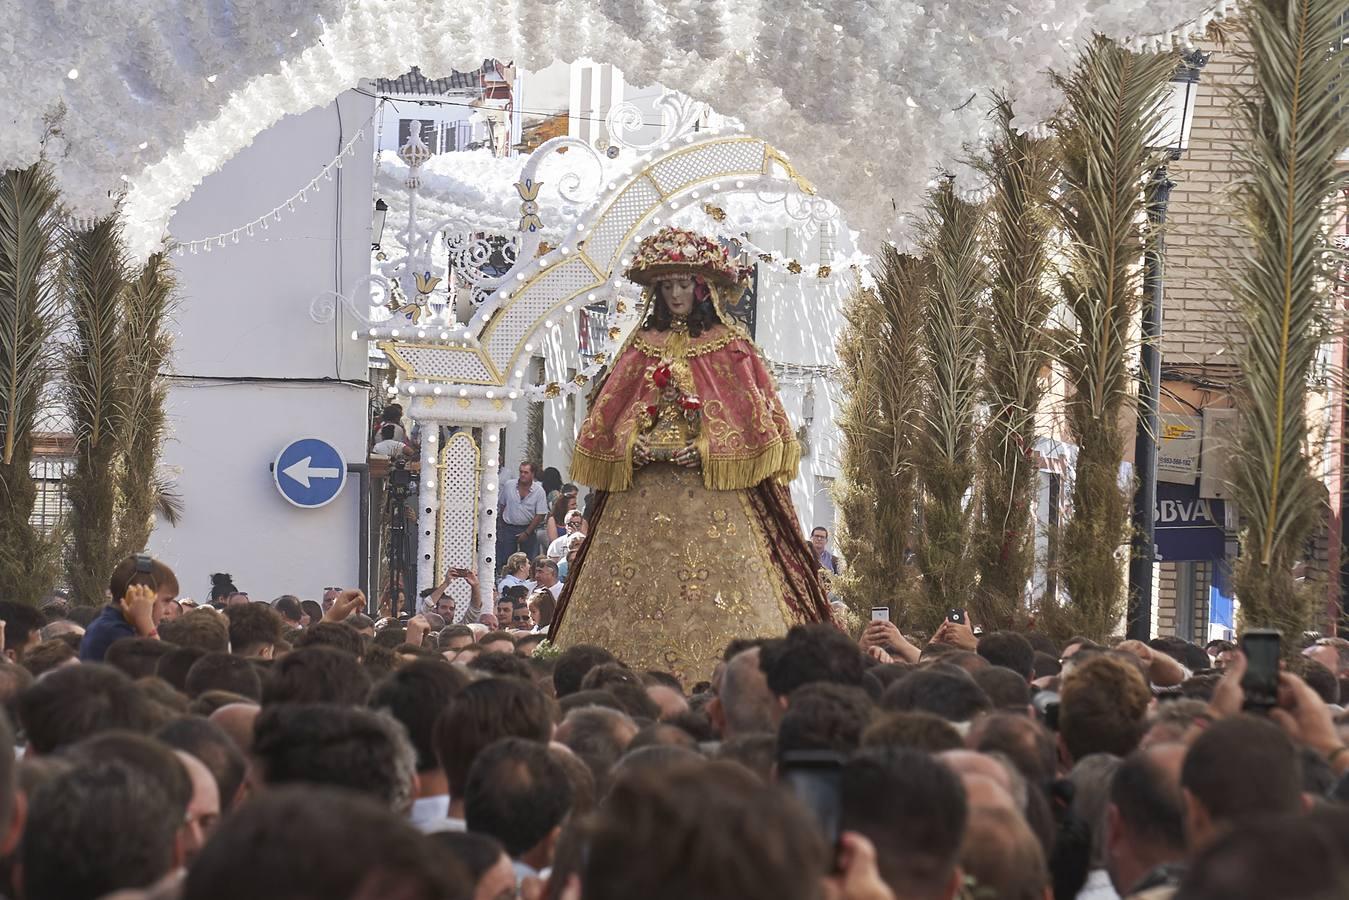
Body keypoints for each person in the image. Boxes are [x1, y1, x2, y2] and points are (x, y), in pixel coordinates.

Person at [549, 227, 833, 683]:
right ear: (657, 291)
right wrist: (628, 447)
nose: (677, 294)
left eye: (684, 284)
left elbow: (760, 424)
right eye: (668, 286)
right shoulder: (640, 347)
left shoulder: (732, 347)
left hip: (715, 498)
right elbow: (606, 416)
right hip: (640, 491)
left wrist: (705, 449)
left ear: (702, 289)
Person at [80, 555, 181, 662]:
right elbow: (161, 668)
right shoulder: (115, 634)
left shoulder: (112, 625)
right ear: (141, 594)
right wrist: (145, 621)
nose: (168, 610)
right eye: (166, 601)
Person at [497, 461, 549, 566]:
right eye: (521, 472)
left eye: (526, 472)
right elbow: (502, 504)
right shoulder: (509, 485)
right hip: (508, 528)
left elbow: (540, 514)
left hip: (528, 528)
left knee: (529, 560)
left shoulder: (539, 491)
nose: (522, 475)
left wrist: (527, 532)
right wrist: (501, 523)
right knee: (506, 560)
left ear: (533, 474)